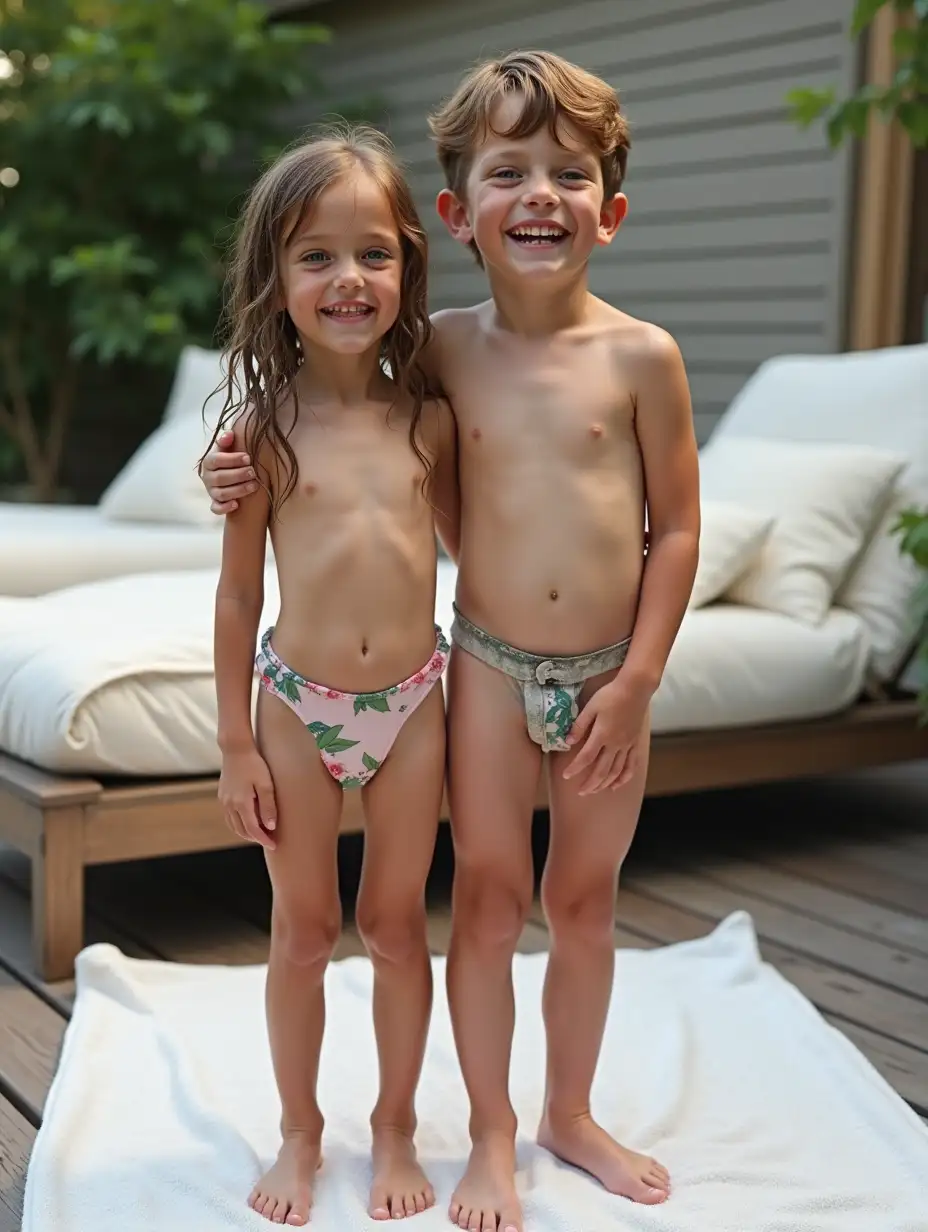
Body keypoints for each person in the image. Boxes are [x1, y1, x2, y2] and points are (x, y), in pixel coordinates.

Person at [202, 51, 700, 1232]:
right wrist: (225, 463)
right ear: (458, 210)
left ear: (610, 211)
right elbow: (328, 405)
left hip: (603, 678)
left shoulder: (643, 357)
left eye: (567, 174)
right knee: (481, 894)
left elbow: (674, 528)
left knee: (581, 900)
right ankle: (483, 1129)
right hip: (473, 663)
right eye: (508, 170)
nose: (538, 193)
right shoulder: (437, 354)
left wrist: (635, 682)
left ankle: (563, 1112)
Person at [209, 125, 458, 1226]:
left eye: (372, 253)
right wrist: (229, 740)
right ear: (275, 276)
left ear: (406, 265)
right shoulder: (261, 432)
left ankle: (394, 1119)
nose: (346, 279)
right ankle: (300, 1127)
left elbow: (486, 549)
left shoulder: (433, 420)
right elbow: (233, 597)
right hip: (293, 709)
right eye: (315, 255)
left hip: (412, 706)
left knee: (397, 924)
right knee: (302, 930)